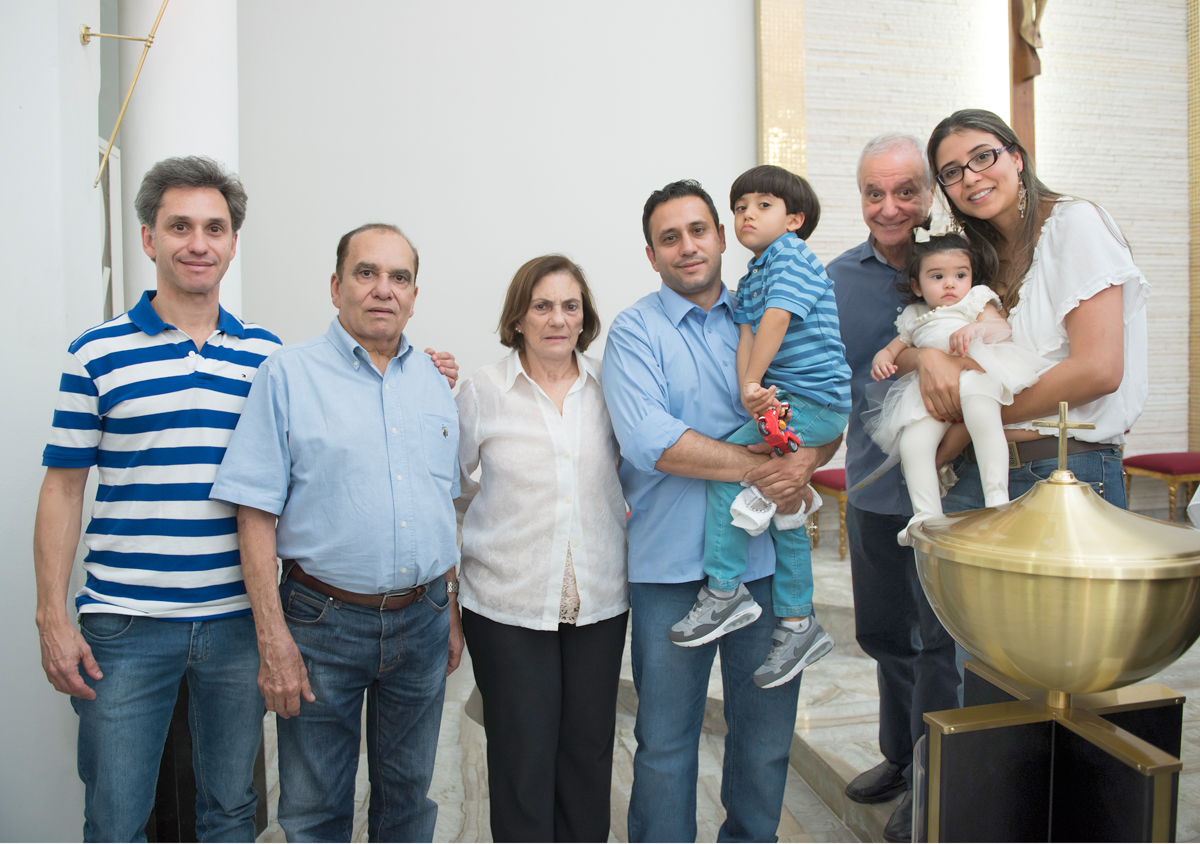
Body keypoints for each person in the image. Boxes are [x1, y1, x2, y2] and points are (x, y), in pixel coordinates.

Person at [33, 155, 280, 842]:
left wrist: (418, 367)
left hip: (238, 624)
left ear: (233, 243)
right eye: (180, 226)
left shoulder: (268, 358)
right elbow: (62, 488)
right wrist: (51, 616)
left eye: (214, 228)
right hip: (125, 625)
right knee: (116, 819)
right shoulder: (96, 354)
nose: (198, 243)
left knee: (230, 813)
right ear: (148, 238)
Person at [602, 180, 839, 842]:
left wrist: (807, 459)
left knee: (764, 742)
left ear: (721, 237)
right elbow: (653, 442)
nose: (687, 246)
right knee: (665, 743)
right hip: (671, 574)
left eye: (698, 230)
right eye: (669, 237)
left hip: (763, 570)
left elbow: (824, 409)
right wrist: (766, 468)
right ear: (651, 254)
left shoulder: (768, 315)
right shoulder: (634, 331)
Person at [209, 223, 462, 842]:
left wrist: (450, 609)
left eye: (399, 277)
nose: (383, 289)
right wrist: (273, 638)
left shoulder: (434, 381)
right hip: (322, 624)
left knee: (409, 801)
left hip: (423, 620)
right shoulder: (286, 374)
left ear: (414, 294)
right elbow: (253, 514)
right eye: (366, 273)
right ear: (335, 286)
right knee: (315, 809)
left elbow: (440, 503)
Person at [454, 254, 629, 842]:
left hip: (599, 601)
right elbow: (452, 488)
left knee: (588, 754)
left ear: (585, 317)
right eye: (543, 306)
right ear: (518, 318)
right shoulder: (483, 390)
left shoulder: (609, 387)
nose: (558, 319)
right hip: (506, 604)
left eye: (570, 306)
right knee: (522, 759)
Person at [826, 135, 961, 844]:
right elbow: (821, 378)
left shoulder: (961, 265)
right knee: (884, 632)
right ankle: (902, 757)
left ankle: (937, 777)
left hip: (950, 489)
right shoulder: (835, 279)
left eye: (906, 191)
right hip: (873, 487)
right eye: (874, 193)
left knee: (941, 643)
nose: (889, 207)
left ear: (930, 194)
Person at [669, 165, 849, 691]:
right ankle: (797, 622)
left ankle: (724, 591)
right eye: (741, 206)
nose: (748, 214)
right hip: (785, 401)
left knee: (729, 472)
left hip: (814, 400)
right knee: (781, 499)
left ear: (794, 220)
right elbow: (748, 334)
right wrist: (749, 391)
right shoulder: (753, 275)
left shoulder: (791, 256)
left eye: (763, 205)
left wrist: (753, 382)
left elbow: (776, 320)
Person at [919, 109, 1148, 512]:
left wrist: (967, 424)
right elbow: (928, 331)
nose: (970, 177)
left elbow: (1099, 370)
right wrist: (926, 357)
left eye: (982, 157)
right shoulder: (976, 258)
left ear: (1016, 158)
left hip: (1063, 469)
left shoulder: (1074, 224)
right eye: (952, 172)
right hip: (976, 473)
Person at [865, 232, 1048, 544]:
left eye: (960, 275)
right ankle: (925, 516)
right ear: (917, 285)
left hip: (976, 373)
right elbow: (895, 347)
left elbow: (1001, 329)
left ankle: (997, 500)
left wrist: (977, 328)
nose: (950, 284)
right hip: (932, 390)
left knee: (984, 421)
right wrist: (882, 358)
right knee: (914, 443)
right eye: (937, 277)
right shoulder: (915, 315)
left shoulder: (975, 300)